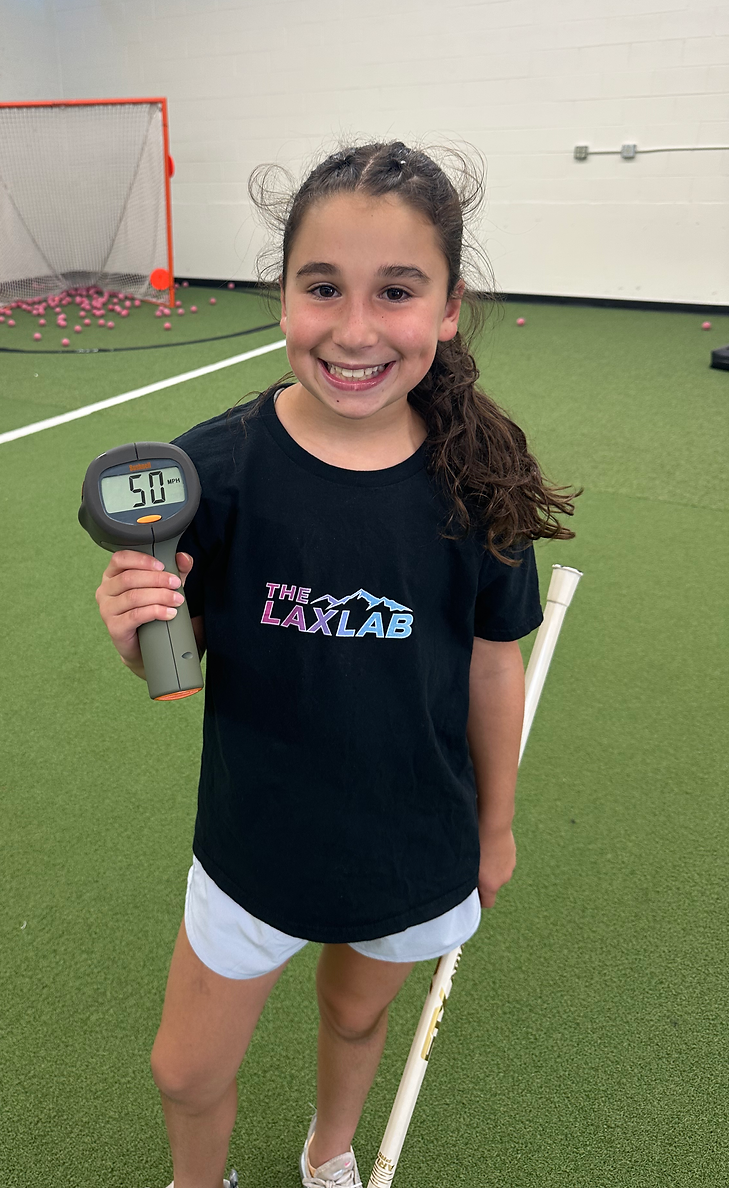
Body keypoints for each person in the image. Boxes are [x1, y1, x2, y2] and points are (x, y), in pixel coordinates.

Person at [94, 142, 580, 1188]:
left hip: (411, 839)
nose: (354, 329)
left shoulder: (475, 477)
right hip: (254, 839)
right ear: (283, 296)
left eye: (394, 291)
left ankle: (327, 1151)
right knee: (183, 1070)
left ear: (447, 307)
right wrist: (140, 630)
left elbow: (496, 669)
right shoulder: (210, 469)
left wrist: (492, 827)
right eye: (322, 287)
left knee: (355, 1017)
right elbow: (177, 650)